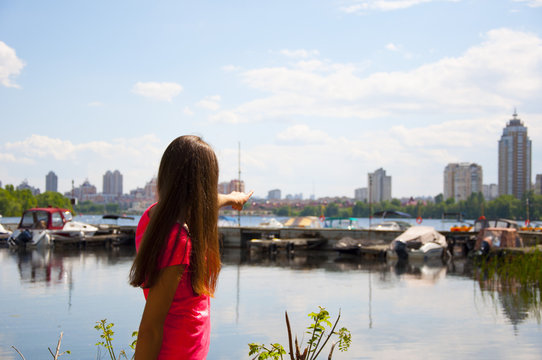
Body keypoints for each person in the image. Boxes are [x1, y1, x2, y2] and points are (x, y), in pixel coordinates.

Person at [129, 135, 252, 359]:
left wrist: (233, 198)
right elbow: (150, 328)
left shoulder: (152, 217)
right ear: (204, 183)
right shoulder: (177, 241)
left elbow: (206, 201)